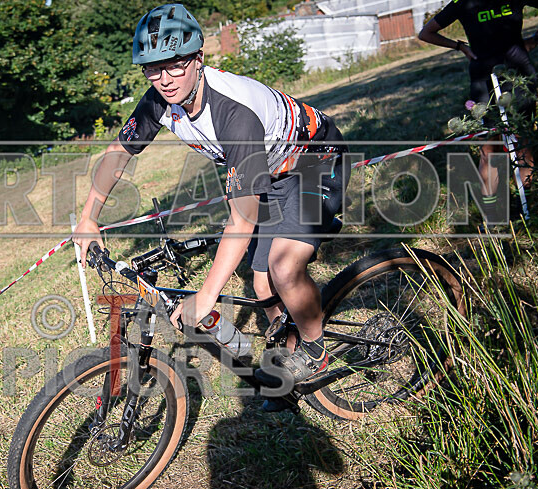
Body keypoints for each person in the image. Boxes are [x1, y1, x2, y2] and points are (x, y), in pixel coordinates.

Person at [72, 3, 349, 409]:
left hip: (315, 161)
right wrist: (87, 217)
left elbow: (241, 219)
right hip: (272, 172)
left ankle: (315, 351)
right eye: (151, 68)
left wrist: (205, 296)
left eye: (174, 65)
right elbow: (119, 152)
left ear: (199, 58)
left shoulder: (233, 113)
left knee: (285, 267)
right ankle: (287, 366)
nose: (163, 79)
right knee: (261, 285)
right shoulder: (159, 101)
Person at [418, 1, 538, 224]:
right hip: (484, 78)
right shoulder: (462, 3)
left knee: (523, 136)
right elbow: (426, 33)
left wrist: (535, 39)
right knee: (489, 145)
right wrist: (460, 46)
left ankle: (526, 202)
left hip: (519, 72)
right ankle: (493, 214)